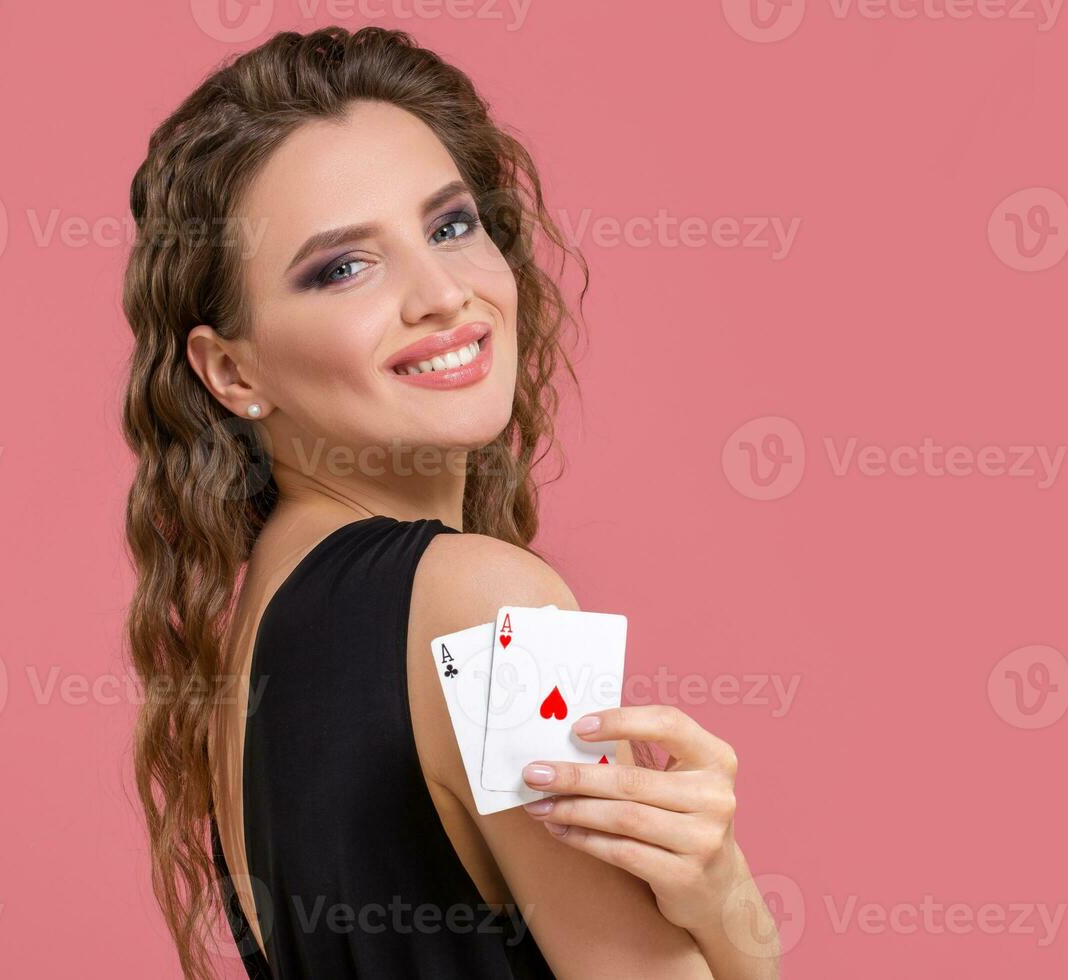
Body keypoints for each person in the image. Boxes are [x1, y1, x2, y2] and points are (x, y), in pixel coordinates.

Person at [121, 25, 780, 979]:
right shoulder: (490, 610)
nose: (442, 295)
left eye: (450, 225)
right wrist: (727, 900)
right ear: (231, 369)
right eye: (343, 267)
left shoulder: (250, 642)